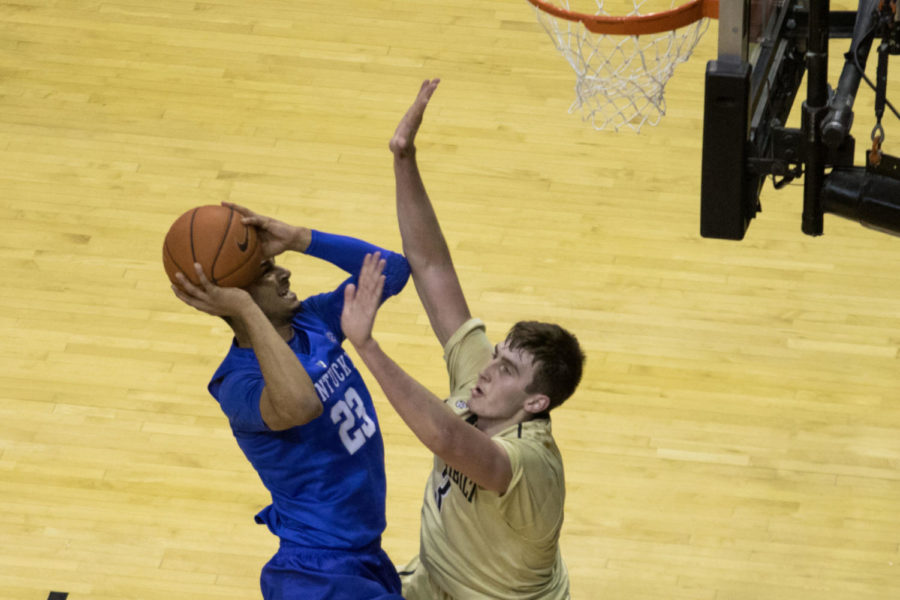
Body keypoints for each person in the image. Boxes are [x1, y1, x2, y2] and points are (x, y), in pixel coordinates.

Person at [340, 80, 585, 599]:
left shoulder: (532, 465)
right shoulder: (483, 382)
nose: (489, 369)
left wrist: (368, 347)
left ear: (536, 401)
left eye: (509, 370)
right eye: (496, 356)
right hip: (434, 585)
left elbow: (448, 441)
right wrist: (403, 159)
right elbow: (431, 268)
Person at [170, 203, 409, 600]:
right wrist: (246, 309)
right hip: (317, 573)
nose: (284, 272)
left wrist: (300, 238)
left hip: (361, 552)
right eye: (266, 271)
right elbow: (301, 406)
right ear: (234, 295)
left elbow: (394, 270)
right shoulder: (237, 383)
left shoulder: (314, 320)